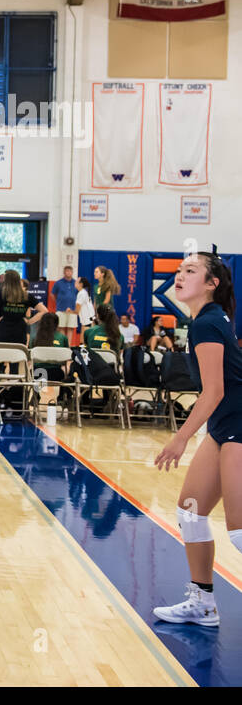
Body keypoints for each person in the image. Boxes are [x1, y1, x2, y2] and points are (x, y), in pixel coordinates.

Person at [152, 252, 242, 628]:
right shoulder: (207, 319)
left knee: (240, 533)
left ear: (211, 284)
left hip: (237, 423)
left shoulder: (207, 323)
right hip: (224, 427)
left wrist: (181, 438)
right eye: (178, 270)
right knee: (190, 511)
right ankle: (202, 603)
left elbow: (214, 392)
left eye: (191, 270)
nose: (180, 275)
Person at [0, 269, 47, 348]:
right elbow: (44, 310)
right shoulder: (26, 295)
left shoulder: (0, 293)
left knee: (1, 356)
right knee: (18, 356)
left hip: (3, 328)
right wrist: (29, 321)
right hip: (20, 330)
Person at [52, 266, 79, 346]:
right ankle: (63, 344)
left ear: (72, 272)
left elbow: (78, 294)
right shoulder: (58, 283)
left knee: (71, 328)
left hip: (72, 309)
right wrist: (58, 301)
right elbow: (53, 294)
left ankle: (69, 345)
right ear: (64, 272)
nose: (68, 273)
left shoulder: (76, 283)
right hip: (61, 308)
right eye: (67, 271)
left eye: (70, 271)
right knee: (61, 327)